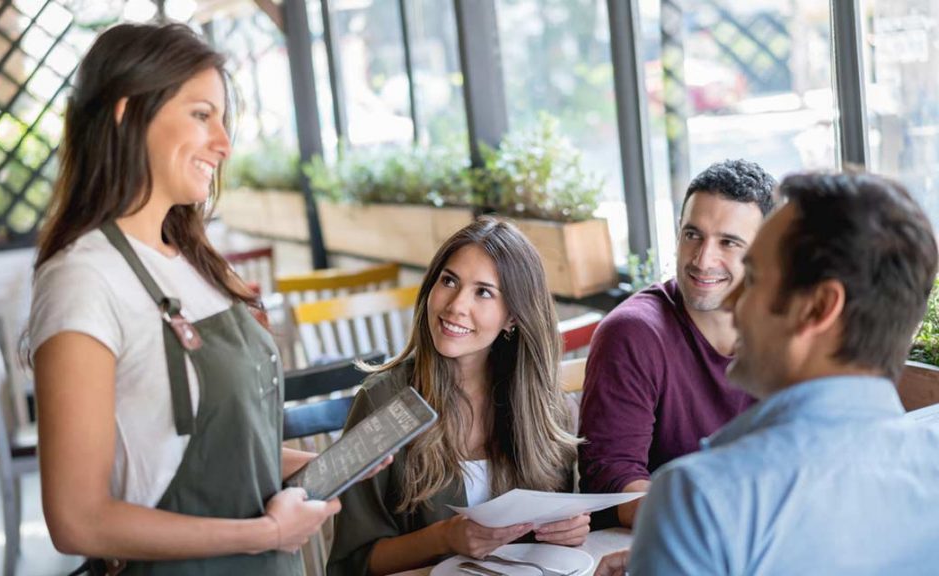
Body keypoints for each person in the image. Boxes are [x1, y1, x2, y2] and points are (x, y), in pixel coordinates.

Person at [29, 23, 376, 574]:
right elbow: (78, 520)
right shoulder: (83, 280)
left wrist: (345, 463)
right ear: (128, 113)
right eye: (200, 114)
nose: (223, 142)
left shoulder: (189, 257)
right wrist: (265, 532)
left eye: (222, 117)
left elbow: (219, 455)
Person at [599, 171, 939, 575]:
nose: (733, 302)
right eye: (692, 234)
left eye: (754, 277)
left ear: (817, 308)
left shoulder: (700, 500)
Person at [327, 217, 588, 576]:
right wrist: (444, 539)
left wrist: (568, 529)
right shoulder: (383, 402)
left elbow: (549, 533)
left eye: (483, 292)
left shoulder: (541, 403)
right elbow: (351, 564)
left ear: (512, 316)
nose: (455, 306)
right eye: (449, 281)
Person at [578, 159, 776, 527]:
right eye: (692, 235)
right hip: (667, 543)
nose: (703, 259)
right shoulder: (633, 333)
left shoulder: (791, 330)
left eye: (728, 242)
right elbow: (611, 480)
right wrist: (722, 521)